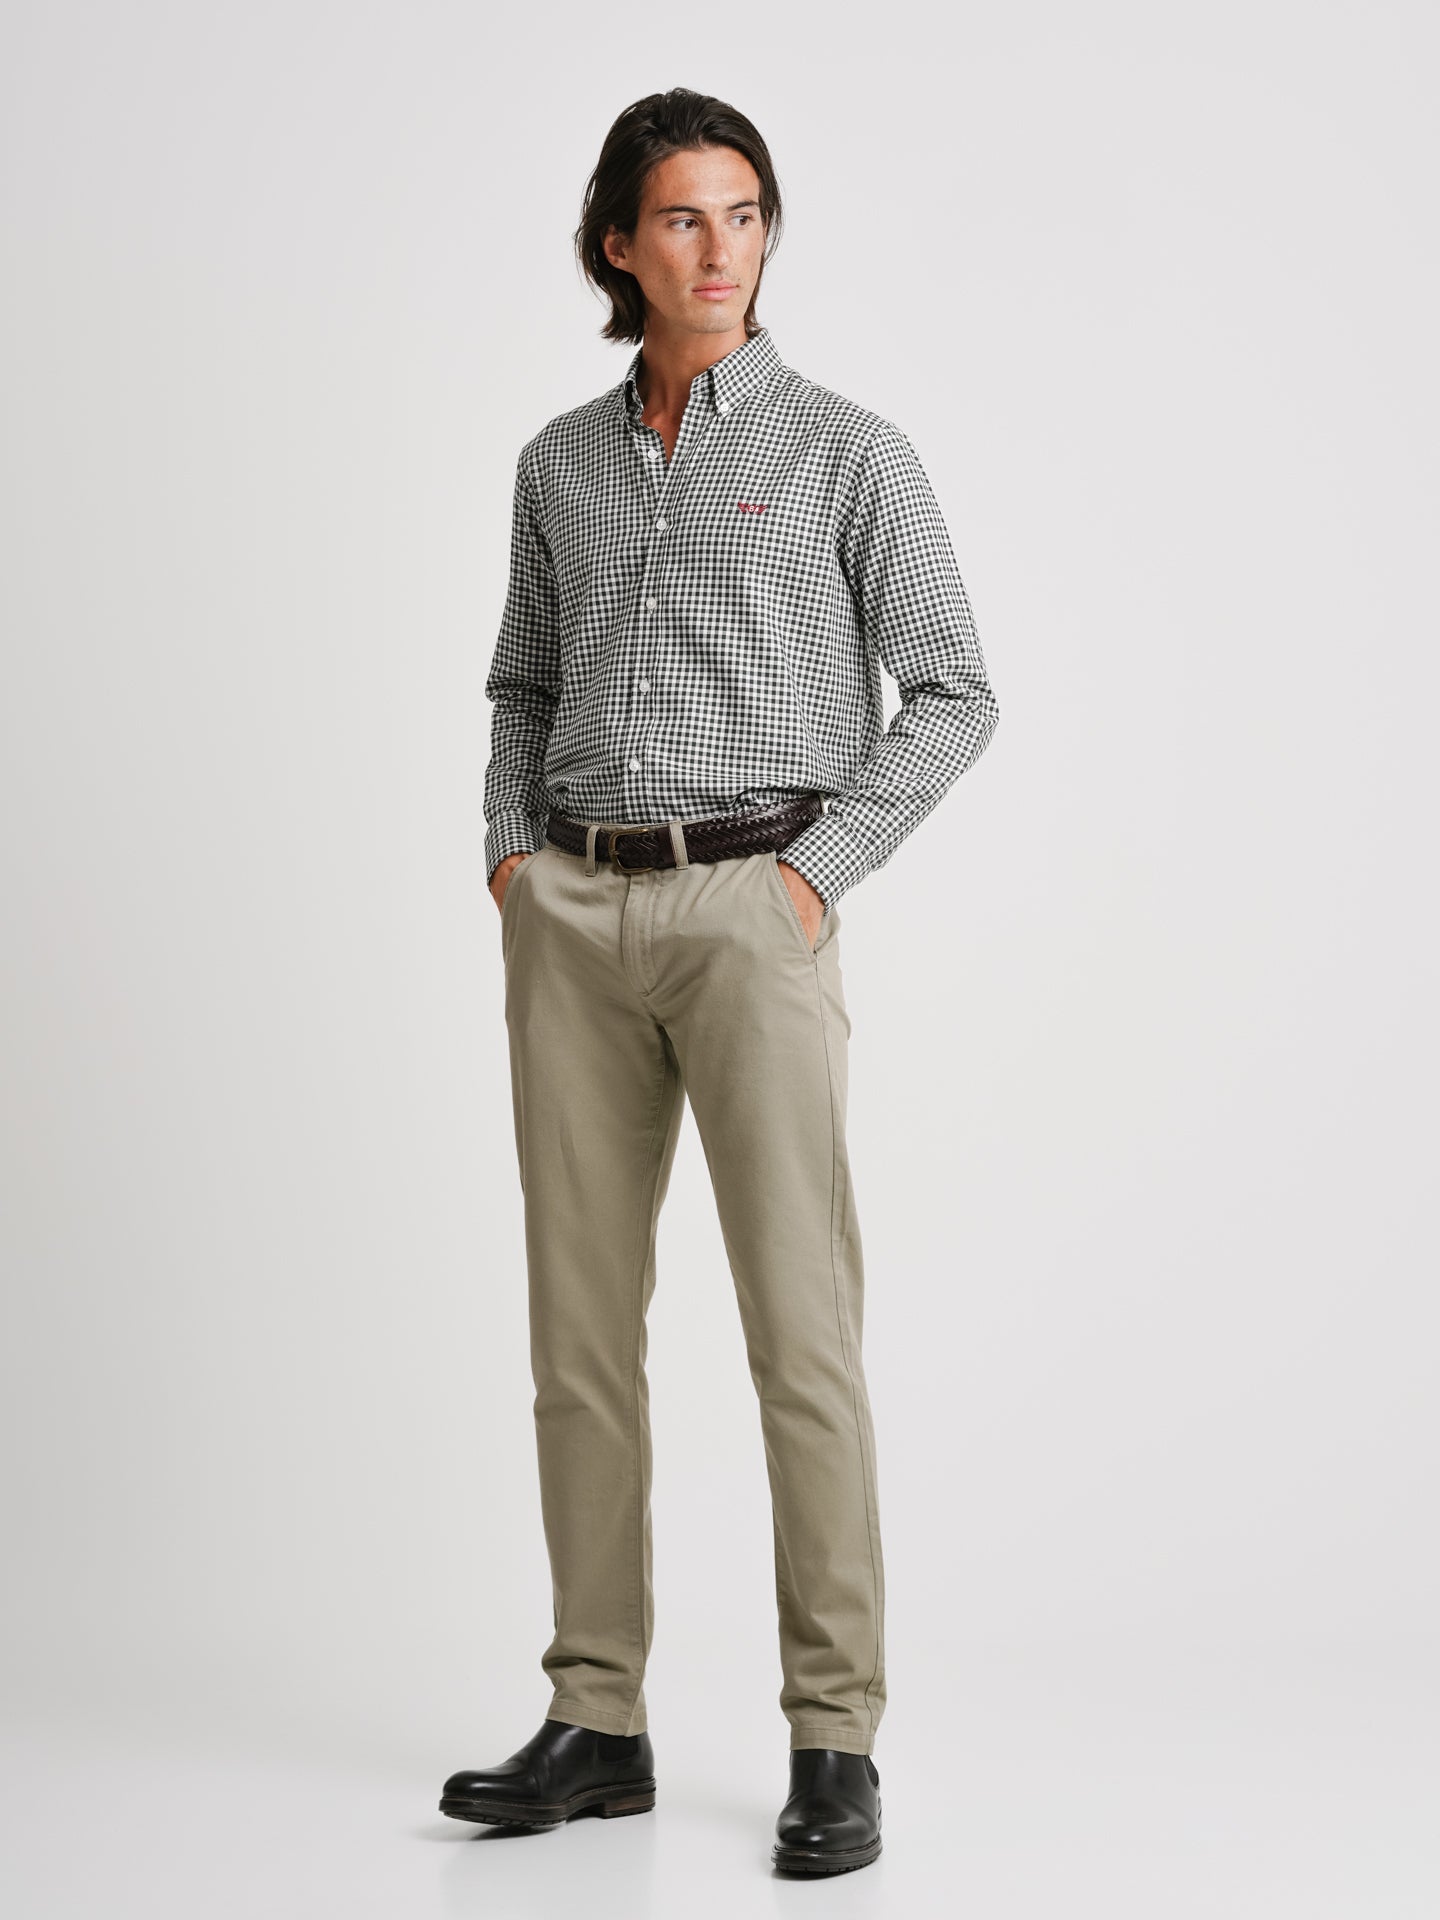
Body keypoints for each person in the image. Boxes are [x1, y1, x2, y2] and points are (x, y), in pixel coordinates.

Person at [439, 86, 999, 1876]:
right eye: (682, 217)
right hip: (575, 915)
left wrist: (816, 877)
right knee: (578, 1340)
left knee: (799, 1335)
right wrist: (512, 857)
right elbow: (520, 686)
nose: (719, 248)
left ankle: (835, 1738)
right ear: (619, 244)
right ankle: (596, 1716)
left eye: (744, 214)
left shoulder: (849, 452)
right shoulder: (559, 464)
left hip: (758, 907)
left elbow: (958, 690)